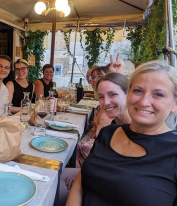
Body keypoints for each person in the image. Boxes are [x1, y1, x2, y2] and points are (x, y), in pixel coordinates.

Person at [66, 60, 177, 206]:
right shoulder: (108, 133)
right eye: (138, 90)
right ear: (129, 94)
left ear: (174, 104)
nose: (144, 102)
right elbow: (80, 185)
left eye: (158, 94)